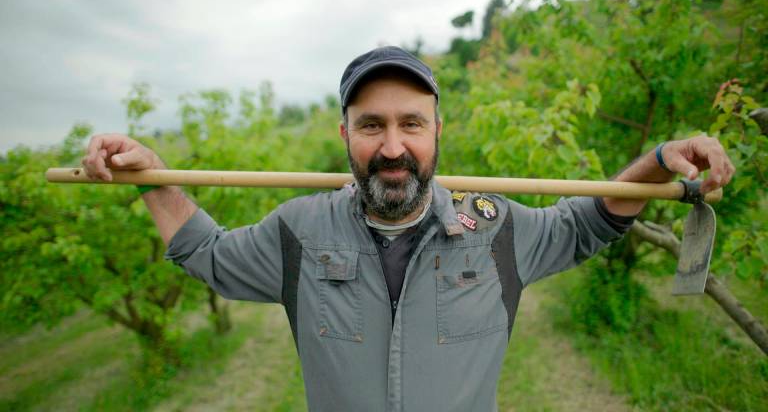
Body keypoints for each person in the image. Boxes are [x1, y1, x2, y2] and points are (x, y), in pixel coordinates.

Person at [81, 46, 735, 411]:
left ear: (437, 131)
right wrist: (154, 177)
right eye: (372, 125)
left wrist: (655, 163)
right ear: (345, 135)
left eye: (411, 124)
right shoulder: (296, 232)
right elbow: (208, 255)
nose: (392, 147)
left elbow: (592, 217)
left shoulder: (499, 230)